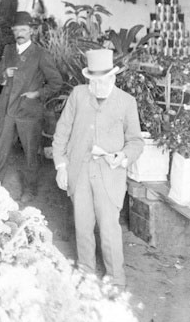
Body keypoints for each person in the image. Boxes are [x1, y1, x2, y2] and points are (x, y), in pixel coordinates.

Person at [52, 49, 144, 288]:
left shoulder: (126, 102)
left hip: (109, 174)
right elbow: (62, 132)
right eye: (92, 81)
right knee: (82, 226)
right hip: (79, 171)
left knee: (109, 229)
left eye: (102, 81)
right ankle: (86, 274)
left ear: (113, 78)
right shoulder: (78, 95)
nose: (96, 86)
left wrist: (122, 156)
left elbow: (136, 141)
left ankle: (116, 280)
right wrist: (61, 166)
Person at [0, 11, 63, 199]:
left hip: (28, 111)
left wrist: (37, 93)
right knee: (0, 150)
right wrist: (5, 73)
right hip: (8, 110)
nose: (19, 33)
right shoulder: (8, 50)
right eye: (16, 30)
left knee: (31, 154)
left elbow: (56, 82)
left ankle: (29, 190)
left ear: (31, 31)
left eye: (23, 29)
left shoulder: (40, 54)